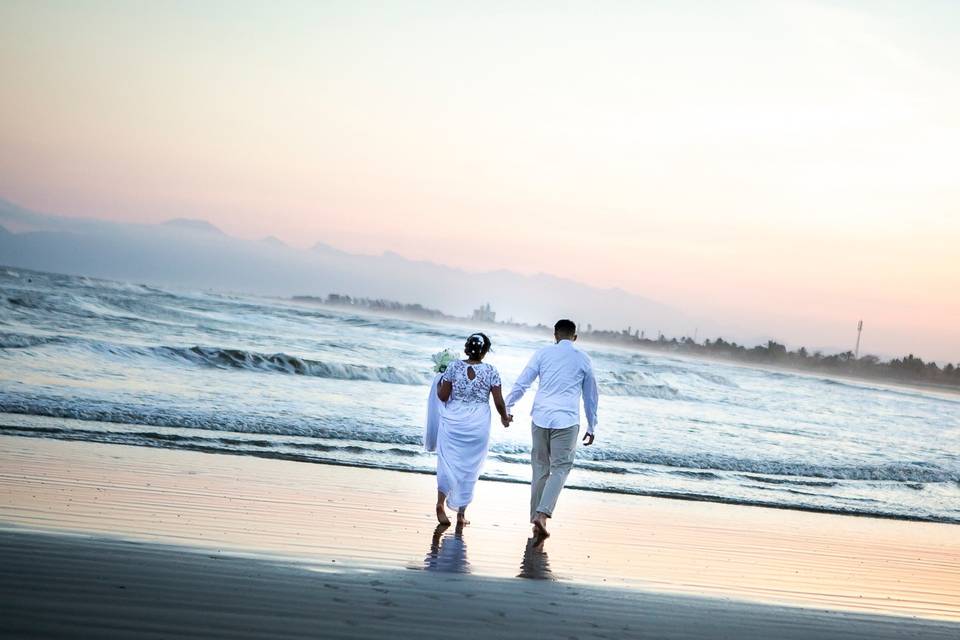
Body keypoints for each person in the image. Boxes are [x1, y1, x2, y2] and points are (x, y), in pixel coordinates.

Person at [505, 319, 599, 540]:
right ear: (575, 337)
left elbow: (522, 383)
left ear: (555, 334)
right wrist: (592, 425)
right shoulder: (583, 359)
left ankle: (535, 519)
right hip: (567, 420)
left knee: (539, 468)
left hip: (540, 417)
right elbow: (590, 397)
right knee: (560, 468)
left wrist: (508, 406)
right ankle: (542, 515)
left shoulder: (542, 354)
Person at [434, 332, 512, 526]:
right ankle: (461, 514)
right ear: (485, 352)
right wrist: (505, 417)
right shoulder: (491, 371)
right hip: (477, 425)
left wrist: (437, 385)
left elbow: (443, 397)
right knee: (469, 468)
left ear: (466, 348)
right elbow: (498, 401)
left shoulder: (453, 367)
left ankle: (440, 504)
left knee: (447, 463)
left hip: (453, 422)